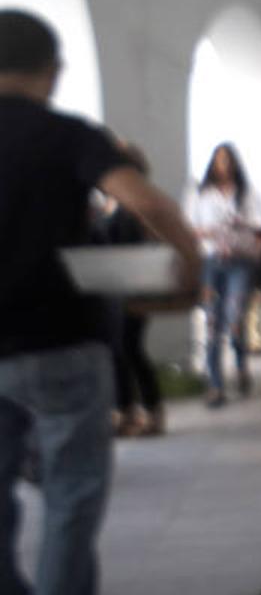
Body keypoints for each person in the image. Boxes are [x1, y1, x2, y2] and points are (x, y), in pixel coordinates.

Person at [0, 9, 201, 595]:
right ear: (51, 71)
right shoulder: (67, 135)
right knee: (70, 492)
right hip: (56, 336)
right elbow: (141, 198)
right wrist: (190, 257)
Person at [186, 142, 261, 407]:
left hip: (239, 261)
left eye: (228, 159)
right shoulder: (201, 194)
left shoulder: (247, 193)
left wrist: (240, 224)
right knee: (211, 322)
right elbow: (190, 227)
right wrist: (210, 231)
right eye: (220, 159)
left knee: (234, 316)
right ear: (213, 163)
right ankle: (216, 385)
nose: (224, 165)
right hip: (211, 260)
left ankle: (241, 364)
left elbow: (260, 227)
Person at [101, 143, 166, 436]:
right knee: (119, 350)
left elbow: (150, 240)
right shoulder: (112, 201)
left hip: (135, 284)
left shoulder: (137, 202)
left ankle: (150, 410)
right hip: (115, 286)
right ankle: (126, 410)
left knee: (131, 349)